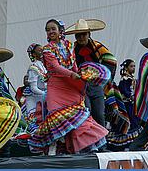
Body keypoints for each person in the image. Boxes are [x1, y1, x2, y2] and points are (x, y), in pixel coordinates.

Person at [28, 19, 109, 155]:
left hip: (70, 86)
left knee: (80, 118)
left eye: (53, 28)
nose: (51, 31)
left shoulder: (69, 45)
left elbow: (74, 64)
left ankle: (87, 146)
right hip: (56, 86)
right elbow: (55, 67)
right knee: (55, 117)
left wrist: (80, 78)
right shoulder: (47, 49)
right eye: (48, 30)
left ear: (61, 31)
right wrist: (73, 74)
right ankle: (53, 148)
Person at [65, 19, 117, 127]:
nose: (81, 38)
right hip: (80, 87)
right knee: (86, 113)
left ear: (89, 34)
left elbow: (111, 60)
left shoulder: (97, 47)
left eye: (83, 34)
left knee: (99, 114)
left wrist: (104, 78)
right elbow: (67, 65)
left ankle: (102, 140)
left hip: (96, 85)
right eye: (78, 35)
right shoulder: (71, 50)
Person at [24, 43, 48, 135]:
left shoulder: (45, 66)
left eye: (43, 50)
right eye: (39, 50)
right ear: (34, 54)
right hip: (35, 100)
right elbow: (33, 88)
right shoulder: (33, 67)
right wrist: (45, 94)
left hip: (43, 98)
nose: (42, 51)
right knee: (35, 123)